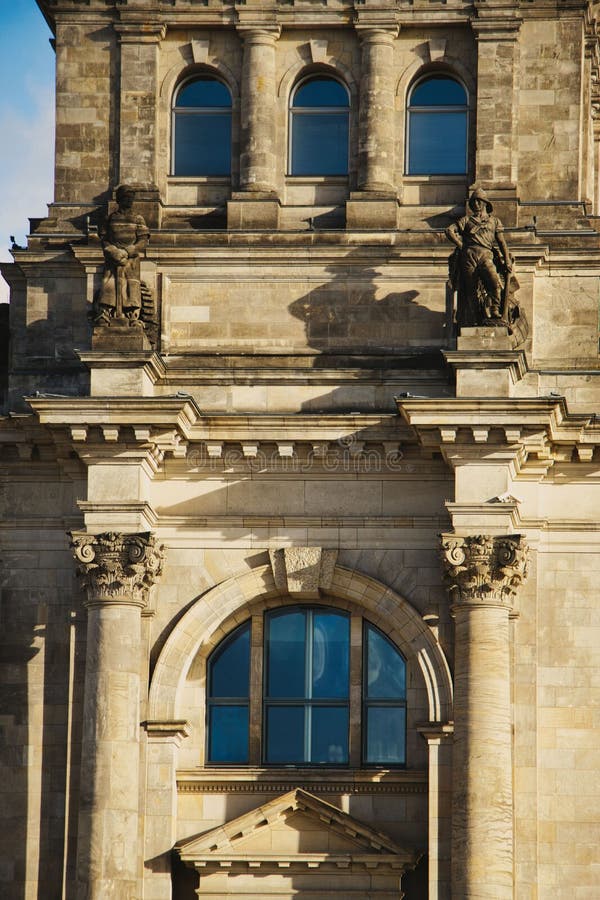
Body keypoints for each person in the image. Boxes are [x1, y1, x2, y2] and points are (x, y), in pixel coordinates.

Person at [445, 188, 513, 327]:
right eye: (474, 201)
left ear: (485, 203)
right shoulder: (466, 220)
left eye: (479, 201)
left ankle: (494, 309)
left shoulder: (494, 221)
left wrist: (506, 259)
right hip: (468, 256)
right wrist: (461, 245)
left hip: (486, 254)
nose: (476, 204)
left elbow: (501, 241)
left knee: (494, 281)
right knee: (471, 289)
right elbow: (449, 230)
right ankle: (476, 316)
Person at [93, 185, 150, 324]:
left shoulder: (138, 219)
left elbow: (143, 241)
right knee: (109, 286)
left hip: (131, 260)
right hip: (113, 259)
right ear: (119, 200)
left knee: (132, 287)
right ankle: (105, 314)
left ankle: (133, 317)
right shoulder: (110, 218)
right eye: (126, 198)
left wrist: (127, 251)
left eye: (131, 198)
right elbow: (104, 239)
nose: (130, 201)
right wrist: (113, 251)